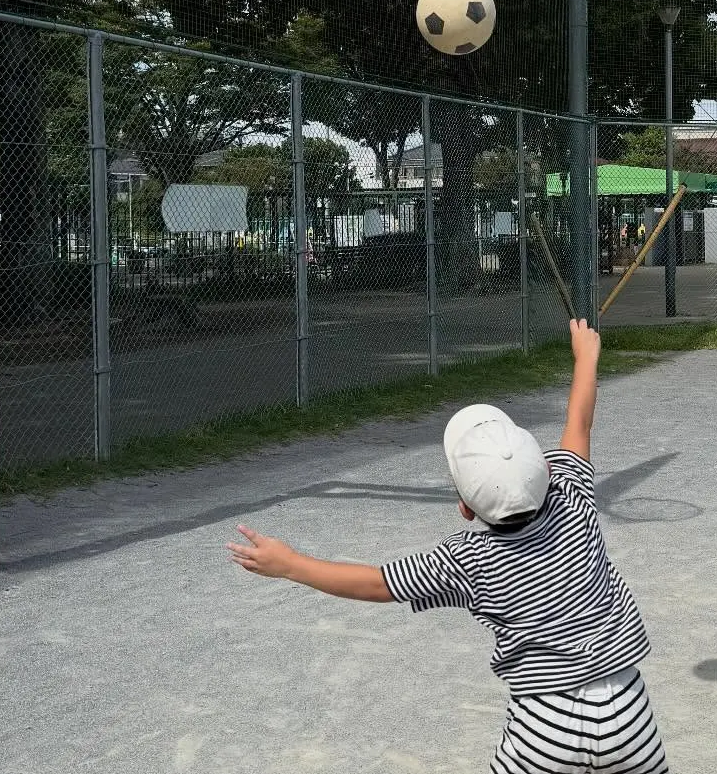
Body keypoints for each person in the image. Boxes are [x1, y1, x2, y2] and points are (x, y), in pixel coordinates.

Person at [228, 319, 668, 773]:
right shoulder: (573, 496)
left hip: (545, 725)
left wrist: (290, 565)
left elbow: (378, 583)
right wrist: (586, 357)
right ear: (543, 468)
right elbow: (578, 424)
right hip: (627, 714)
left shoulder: (469, 560)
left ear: (465, 507)